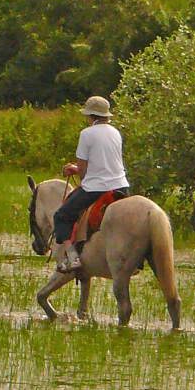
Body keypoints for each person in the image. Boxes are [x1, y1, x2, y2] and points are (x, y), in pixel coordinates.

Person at [53, 96, 130, 273]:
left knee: (62, 216)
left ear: (91, 116)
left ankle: (72, 257)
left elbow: (83, 169)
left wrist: (72, 169)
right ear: (106, 116)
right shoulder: (116, 132)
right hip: (121, 186)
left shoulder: (86, 134)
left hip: (96, 188)